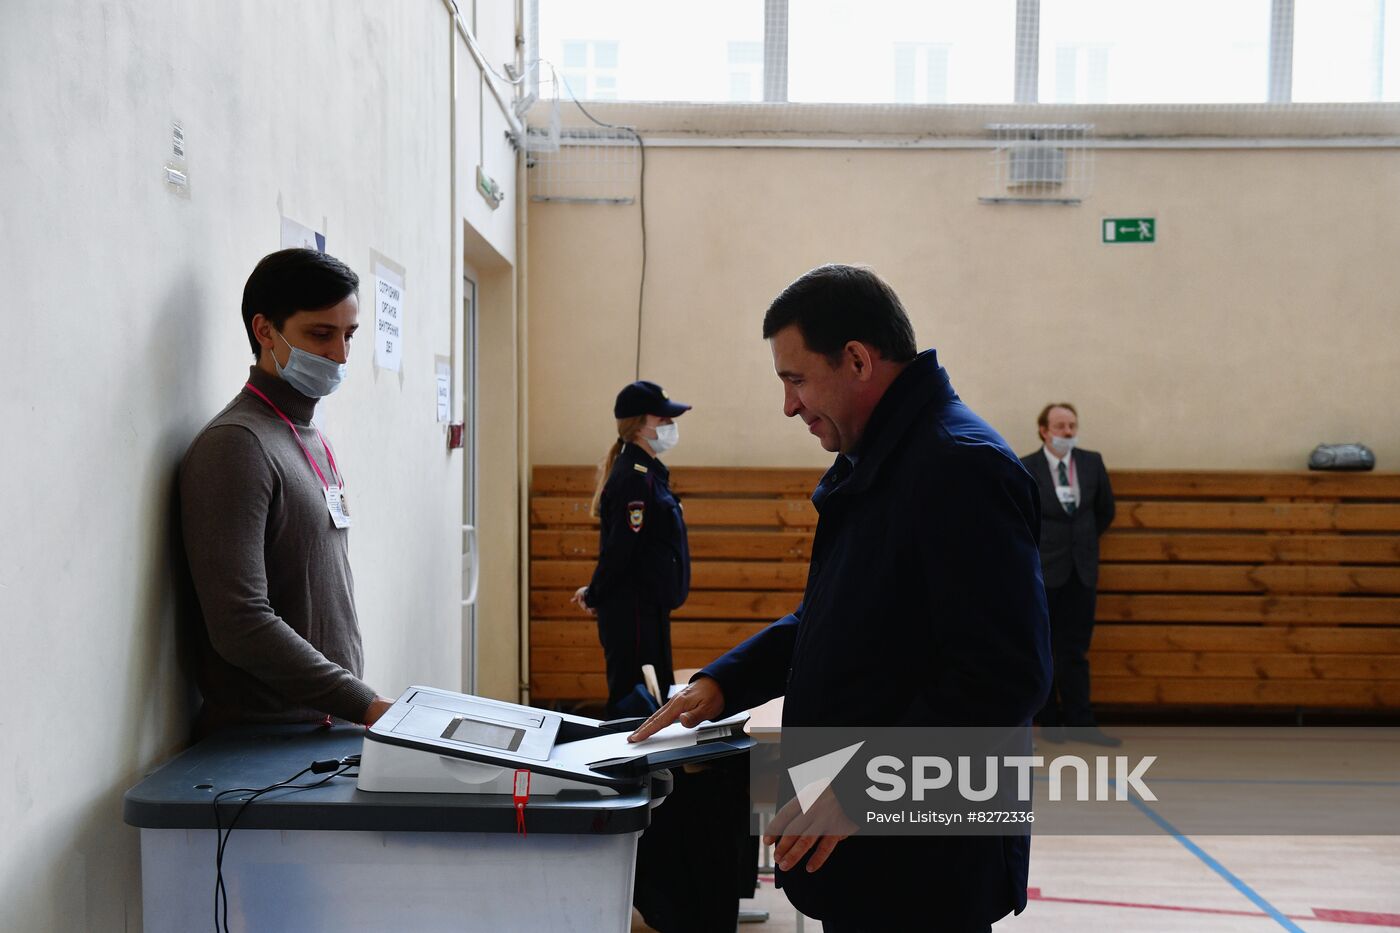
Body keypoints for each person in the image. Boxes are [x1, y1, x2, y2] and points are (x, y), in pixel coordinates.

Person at [629, 265, 1052, 932]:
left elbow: (1003, 675)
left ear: (856, 359)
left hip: (922, 858)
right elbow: (838, 620)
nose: (789, 404)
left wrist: (860, 787)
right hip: (872, 852)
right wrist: (722, 682)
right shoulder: (884, 457)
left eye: (795, 379)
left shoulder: (958, 465)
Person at [179, 248, 394, 736]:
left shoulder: (308, 435)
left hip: (321, 728)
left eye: (349, 335)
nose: (340, 354)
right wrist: (366, 704)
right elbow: (240, 623)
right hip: (266, 743)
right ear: (264, 331)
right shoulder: (237, 445)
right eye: (321, 333)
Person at [570, 380, 691, 719]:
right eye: (663, 420)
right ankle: (629, 772)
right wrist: (595, 594)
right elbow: (620, 551)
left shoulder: (649, 473)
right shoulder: (634, 479)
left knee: (655, 697)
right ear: (639, 427)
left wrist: (596, 592)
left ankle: (656, 772)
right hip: (632, 613)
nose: (670, 427)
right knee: (634, 702)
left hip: (647, 608)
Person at [1020, 403, 1119, 747]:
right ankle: (1049, 722)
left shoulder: (1091, 463)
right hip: (1045, 571)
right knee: (1044, 648)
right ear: (1044, 430)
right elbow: (1022, 515)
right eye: (1060, 426)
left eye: (1072, 425)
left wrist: (1084, 543)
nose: (1068, 432)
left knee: (1075, 650)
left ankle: (1082, 722)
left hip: (1082, 570)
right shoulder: (1027, 467)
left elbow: (1105, 511)